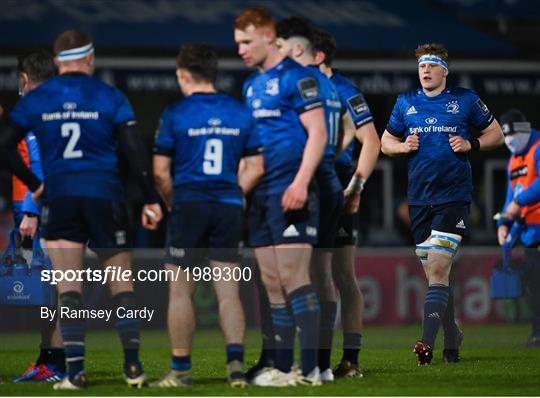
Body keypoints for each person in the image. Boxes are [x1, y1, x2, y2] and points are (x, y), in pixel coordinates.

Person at [0, 30, 162, 389]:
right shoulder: (109, 95)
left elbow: (4, 145)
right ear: (90, 59)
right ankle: (133, 367)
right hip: (105, 195)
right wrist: (151, 196)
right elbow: (135, 151)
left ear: (58, 62)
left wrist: (35, 185)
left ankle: (74, 371)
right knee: (122, 283)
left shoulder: (39, 100)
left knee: (67, 286)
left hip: (61, 199)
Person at [380, 43, 504, 365]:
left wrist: (471, 143)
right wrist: (402, 146)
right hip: (419, 201)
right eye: (421, 65)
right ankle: (453, 337)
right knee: (438, 277)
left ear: (444, 71)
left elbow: (497, 134)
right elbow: (384, 142)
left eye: (431, 65)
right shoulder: (405, 103)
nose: (425, 70)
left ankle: (426, 344)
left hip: (454, 198)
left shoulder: (464, 100)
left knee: (437, 269)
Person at [151, 43, 264, 388]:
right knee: (228, 292)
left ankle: (181, 369)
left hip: (188, 205)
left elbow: (159, 172)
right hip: (227, 208)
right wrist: (234, 194)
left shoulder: (176, 113)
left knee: (180, 292)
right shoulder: (239, 112)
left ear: (183, 75)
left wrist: (173, 202)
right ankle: (234, 368)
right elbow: (256, 167)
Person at [234, 7, 327, 386]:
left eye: (246, 42)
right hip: (262, 194)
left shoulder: (298, 77)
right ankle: (283, 367)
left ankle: (311, 370)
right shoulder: (250, 86)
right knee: (272, 282)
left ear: (268, 37)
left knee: (294, 278)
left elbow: (318, 133)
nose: (240, 49)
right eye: (237, 43)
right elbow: (249, 147)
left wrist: (302, 183)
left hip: (293, 191)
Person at [275, 17, 359, 382]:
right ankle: (320, 364)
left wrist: (355, 183)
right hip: (326, 180)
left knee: (296, 274)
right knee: (321, 274)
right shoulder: (327, 87)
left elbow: (362, 134)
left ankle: (308, 362)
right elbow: (349, 127)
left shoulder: (305, 83)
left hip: (311, 183)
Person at [313, 29, 381, 377]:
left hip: (338, 185)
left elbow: (371, 140)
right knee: (309, 273)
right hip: (311, 185)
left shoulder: (345, 91)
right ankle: (313, 358)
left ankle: (350, 359)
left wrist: (355, 187)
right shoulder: (304, 89)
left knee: (341, 274)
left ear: (318, 55)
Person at [10, 50, 66, 383]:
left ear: (24, 80)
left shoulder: (37, 115)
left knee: (51, 293)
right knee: (45, 294)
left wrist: (30, 213)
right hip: (47, 210)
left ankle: (56, 363)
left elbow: (40, 167)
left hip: (41, 213)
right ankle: (48, 359)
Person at [497, 109, 540, 348]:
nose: (510, 139)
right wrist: (503, 223)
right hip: (530, 232)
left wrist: (518, 203)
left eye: (513, 133)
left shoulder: (538, 147)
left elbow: (518, 198)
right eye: (506, 135)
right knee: (534, 287)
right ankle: (537, 334)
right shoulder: (513, 161)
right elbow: (509, 197)